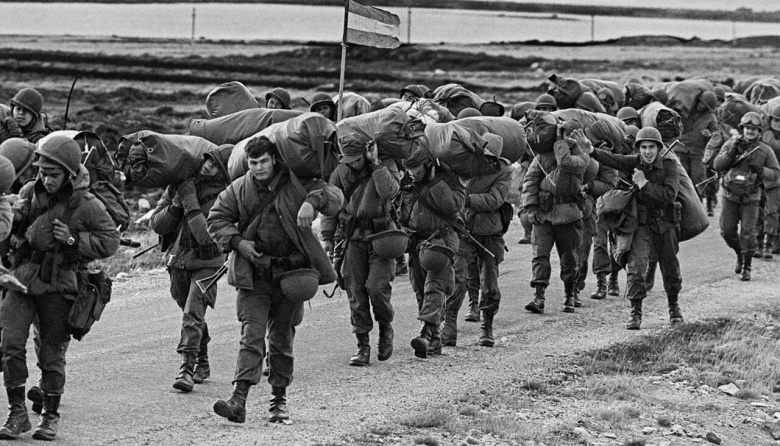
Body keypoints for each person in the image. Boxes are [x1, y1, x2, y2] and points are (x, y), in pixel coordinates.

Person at [207, 136, 343, 424]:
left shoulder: (297, 182)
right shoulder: (239, 188)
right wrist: (237, 242)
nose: (257, 168)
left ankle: (279, 402)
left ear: (275, 159)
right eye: (253, 163)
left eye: (263, 161)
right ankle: (238, 399)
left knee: (282, 339)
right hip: (254, 275)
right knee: (251, 336)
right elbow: (216, 218)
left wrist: (310, 201)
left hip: (291, 276)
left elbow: (334, 197)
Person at [0, 135, 119, 440]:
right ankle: (17, 414)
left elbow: (109, 241)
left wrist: (72, 240)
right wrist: (17, 215)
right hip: (23, 278)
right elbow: (12, 228)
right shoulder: (30, 190)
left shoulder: (87, 204)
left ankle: (50, 415)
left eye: (53, 174)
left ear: (69, 173)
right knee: (10, 344)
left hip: (59, 284)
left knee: (51, 354)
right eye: (42, 172)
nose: (46, 180)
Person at [150, 145, 232, 392]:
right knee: (190, 312)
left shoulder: (227, 195)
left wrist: (190, 201)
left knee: (192, 312)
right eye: (208, 160)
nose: (209, 166)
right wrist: (177, 203)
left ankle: (186, 368)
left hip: (209, 263)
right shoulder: (182, 184)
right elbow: (158, 224)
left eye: (216, 164)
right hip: (178, 261)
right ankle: (203, 361)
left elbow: (205, 236)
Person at [583, 127, 682, 329]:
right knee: (636, 268)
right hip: (642, 225)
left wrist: (644, 183)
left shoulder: (670, 166)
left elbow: (669, 195)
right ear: (638, 149)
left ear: (658, 148)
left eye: (651, 147)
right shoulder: (634, 162)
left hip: (665, 224)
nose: (647, 152)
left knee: (670, 269)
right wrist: (591, 150)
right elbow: (613, 159)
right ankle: (635, 311)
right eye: (643, 147)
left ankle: (674, 307)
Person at [320, 135, 400, 366]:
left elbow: (389, 192)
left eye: (357, 159)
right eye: (349, 159)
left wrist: (376, 164)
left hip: (381, 237)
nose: (353, 163)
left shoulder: (386, 166)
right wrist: (327, 237)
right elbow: (330, 205)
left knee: (377, 288)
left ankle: (385, 328)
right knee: (355, 291)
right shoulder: (341, 171)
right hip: (351, 239)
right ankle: (362, 344)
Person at [441, 134, 509, 347]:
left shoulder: (504, 172)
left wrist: (466, 200)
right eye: (483, 155)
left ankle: (487, 327)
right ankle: (449, 325)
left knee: (489, 283)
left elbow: (495, 199)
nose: (487, 161)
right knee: (457, 278)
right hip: (463, 230)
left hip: (490, 232)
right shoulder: (465, 166)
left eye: (491, 157)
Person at [399, 150, 465, 358]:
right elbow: (402, 212)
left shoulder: (448, 179)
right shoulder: (406, 184)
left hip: (442, 238)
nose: (413, 173)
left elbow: (454, 205)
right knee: (420, 288)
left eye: (417, 169)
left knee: (435, 285)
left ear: (428, 165)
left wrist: (436, 181)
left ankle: (425, 332)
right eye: (409, 169)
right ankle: (435, 340)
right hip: (417, 241)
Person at [523, 118, 589, 314]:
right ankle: (538, 296)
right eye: (565, 134)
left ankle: (570, 294)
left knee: (569, 257)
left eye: (572, 135)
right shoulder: (542, 157)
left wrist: (562, 142)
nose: (568, 138)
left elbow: (566, 162)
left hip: (568, 215)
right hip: (543, 215)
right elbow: (530, 181)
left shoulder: (582, 156)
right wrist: (531, 207)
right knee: (539, 255)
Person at [712, 112, 780, 281]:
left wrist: (760, 169)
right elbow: (717, 165)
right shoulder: (731, 143)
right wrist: (731, 152)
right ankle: (739, 254)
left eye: (754, 129)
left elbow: (775, 174)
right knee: (727, 231)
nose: (750, 132)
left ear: (759, 132)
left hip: (751, 197)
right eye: (747, 128)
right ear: (742, 129)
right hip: (730, 195)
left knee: (748, 234)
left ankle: (747, 266)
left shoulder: (765, 150)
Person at [675, 91, 718, 193]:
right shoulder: (685, 109)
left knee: (697, 180)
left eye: (704, 105)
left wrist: (710, 135)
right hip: (681, 149)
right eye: (701, 102)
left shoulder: (710, 117)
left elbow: (716, 135)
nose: (701, 106)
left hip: (697, 152)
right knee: (681, 179)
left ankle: (698, 203)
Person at [760, 105, 780, 257]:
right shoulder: (766, 134)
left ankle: (770, 242)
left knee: (772, 212)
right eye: (775, 120)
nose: (777, 124)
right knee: (762, 212)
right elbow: (774, 146)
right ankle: (761, 243)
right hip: (763, 178)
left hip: (775, 180)